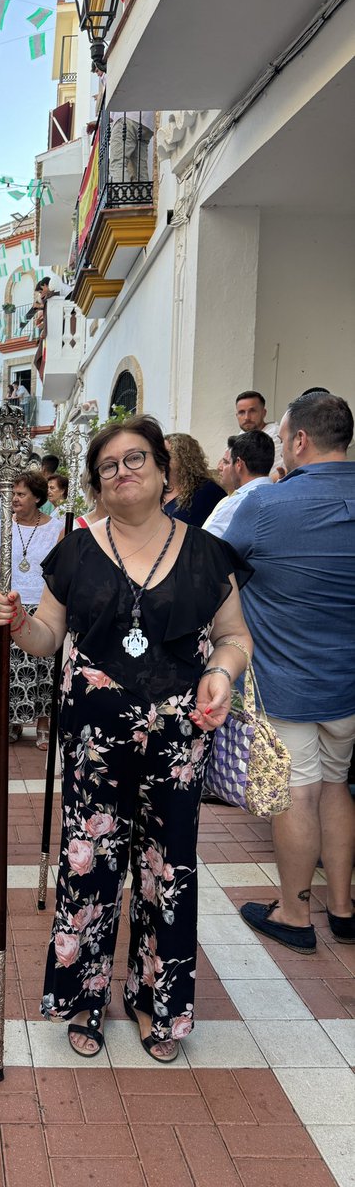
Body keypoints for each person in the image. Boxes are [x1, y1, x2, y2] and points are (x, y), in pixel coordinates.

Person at [0, 415, 252, 1061]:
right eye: (108, 466)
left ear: (166, 471)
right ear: (95, 484)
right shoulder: (75, 552)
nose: (123, 472)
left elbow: (235, 637)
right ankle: (85, 993)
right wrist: (18, 621)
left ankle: (155, 999)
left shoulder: (205, 552)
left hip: (179, 742)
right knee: (90, 866)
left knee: (167, 871)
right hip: (95, 747)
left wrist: (221, 672)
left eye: (136, 460)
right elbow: (49, 639)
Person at [223, 393, 355, 951]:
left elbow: (217, 571)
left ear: (299, 440)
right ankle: (344, 909)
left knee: (296, 794)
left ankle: (295, 916)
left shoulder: (266, 505)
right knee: (336, 787)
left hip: (287, 681)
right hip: (347, 683)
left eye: (281, 438)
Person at [0, 470, 63, 749]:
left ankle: (43, 724)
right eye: (11, 494)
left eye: (20, 494)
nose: (14, 499)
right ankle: (14, 720)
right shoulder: (1, 527)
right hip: (12, 603)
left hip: (44, 604)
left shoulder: (56, 528)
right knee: (10, 667)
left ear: (36, 497)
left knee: (44, 667)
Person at [202, 430, 274, 537]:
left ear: (239, 464)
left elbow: (205, 545)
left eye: (227, 462)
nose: (219, 467)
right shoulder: (282, 496)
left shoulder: (237, 502)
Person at [162, 433, 226, 527]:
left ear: (183, 458)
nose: (159, 458)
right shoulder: (158, 489)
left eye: (166, 454)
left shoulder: (207, 491)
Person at [235, 390, 282, 471]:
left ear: (264, 413)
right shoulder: (240, 436)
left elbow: (276, 473)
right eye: (241, 412)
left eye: (252, 411)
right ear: (237, 415)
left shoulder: (276, 435)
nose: (247, 417)